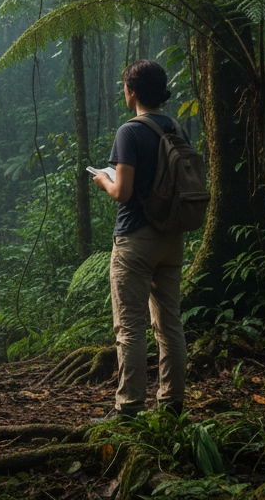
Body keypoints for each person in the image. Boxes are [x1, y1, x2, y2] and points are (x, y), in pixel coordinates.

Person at [90, 59, 186, 419]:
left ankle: (129, 407)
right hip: (171, 238)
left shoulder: (129, 132)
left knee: (130, 325)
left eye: (124, 87)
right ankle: (172, 404)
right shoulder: (176, 128)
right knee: (169, 323)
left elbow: (123, 192)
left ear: (132, 91)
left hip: (135, 240)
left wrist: (103, 179)